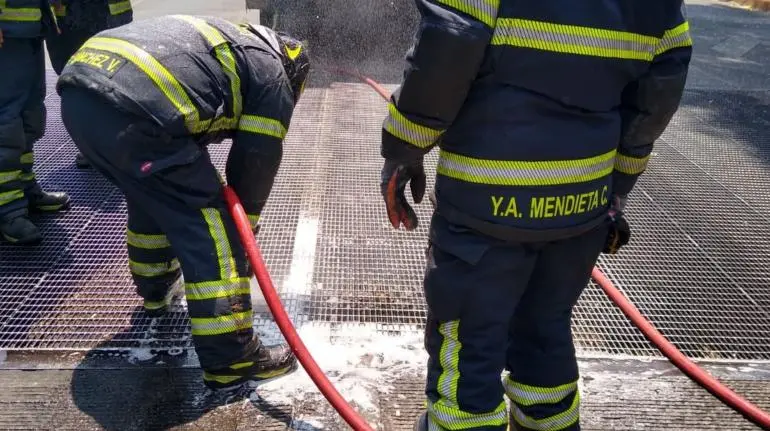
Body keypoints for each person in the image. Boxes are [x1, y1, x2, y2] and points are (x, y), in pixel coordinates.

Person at [379, 1, 692, 430]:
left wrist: (404, 146)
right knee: (545, 333)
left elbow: (450, 42)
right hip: (581, 208)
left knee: (469, 344)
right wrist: (617, 186)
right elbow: (662, 88)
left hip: (487, 207)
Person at [57, 15, 310, 390]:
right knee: (212, 225)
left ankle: (155, 292)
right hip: (137, 110)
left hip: (81, 98)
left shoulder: (233, 43)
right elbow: (256, 161)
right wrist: (243, 234)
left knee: (154, 195)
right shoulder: (273, 75)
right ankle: (232, 358)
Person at [0, 0, 71, 245]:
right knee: (6, 124)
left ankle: (24, 187)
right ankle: (8, 208)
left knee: (31, 117)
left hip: (29, 29)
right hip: (8, 33)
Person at [47, 0, 134, 168]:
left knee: (116, 80)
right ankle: (93, 147)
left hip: (109, 18)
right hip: (74, 20)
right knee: (80, 84)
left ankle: (117, 143)